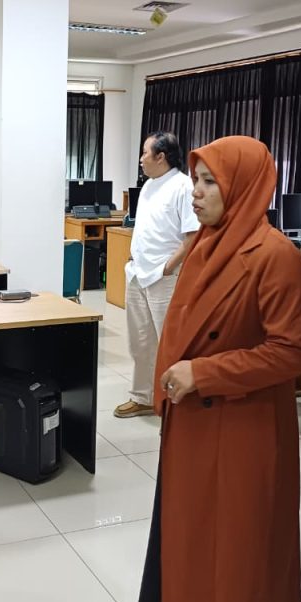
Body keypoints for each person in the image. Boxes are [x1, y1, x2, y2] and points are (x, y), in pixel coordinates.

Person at [126, 136, 301, 602]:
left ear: (244, 187)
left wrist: (203, 374)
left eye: (211, 182)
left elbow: (292, 352)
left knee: (232, 560)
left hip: (241, 433)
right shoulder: (207, 245)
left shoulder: (275, 255)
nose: (198, 192)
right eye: (198, 179)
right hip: (194, 428)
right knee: (186, 551)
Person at [114, 132, 199, 418]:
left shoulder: (184, 186)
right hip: (138, 273)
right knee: (140, 342)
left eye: (145, 153)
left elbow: (193, 236)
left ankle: (177, 402)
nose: (141, 159)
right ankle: (144, 397)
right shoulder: (149, 185)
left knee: (171, 342)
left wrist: (168, 267)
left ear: (161, 156)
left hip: (165, 278)